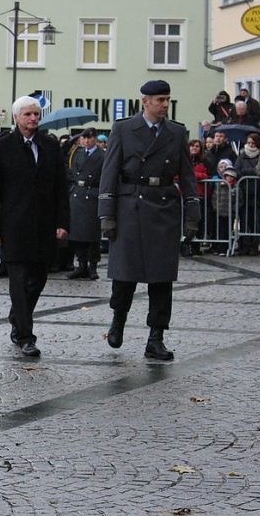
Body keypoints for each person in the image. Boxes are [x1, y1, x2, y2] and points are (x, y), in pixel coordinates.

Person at [98, 80, 199, 361]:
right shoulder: (124, 128)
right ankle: (118, 321)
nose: (165, 105)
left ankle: (156, 337)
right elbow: (110, 171)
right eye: (160, 100)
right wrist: (106, 213)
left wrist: (192, 215)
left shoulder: (176, 132)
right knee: (124, 275)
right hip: (130, 205)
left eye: (167, 99)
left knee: (161, 279)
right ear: (145, 101)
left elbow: (188, 177)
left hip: (164, 207)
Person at [0, 95, 70, 357]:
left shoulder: (50, 145)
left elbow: (60, 187)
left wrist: (62, 222)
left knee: (38, 279)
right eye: (28, 115)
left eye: (36, 114)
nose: (33, 118)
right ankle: (25, 336)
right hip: (14, 225)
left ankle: (17, 315)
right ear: (16, 118)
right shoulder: (3, 146)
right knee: (19, 281)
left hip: (44, 225)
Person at [66, 128, 104, 280]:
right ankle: (81, 265)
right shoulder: (77, 153)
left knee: (92, 235)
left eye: (89, 138)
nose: (86, 141)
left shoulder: (102, 155)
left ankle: (92, 266)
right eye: (84, 138)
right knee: (77, 234)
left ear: (95, 139)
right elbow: (71, 172)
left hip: (92, 193)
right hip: (78, 193)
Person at [234, 132, 260, 256]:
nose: (251, 145)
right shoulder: (242, 155)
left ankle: (254, 245)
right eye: (249, 142)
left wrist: (246, 172)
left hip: (258, 192)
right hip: (244, 192)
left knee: (256, 222)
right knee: (244, 220)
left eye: (253, 143)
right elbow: (237, 170)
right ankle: (244, 245)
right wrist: (251, 172)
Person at [181, 139, 209, 257]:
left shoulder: (204, 162)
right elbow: (179, 175)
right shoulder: (183, 160)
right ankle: (184, 246)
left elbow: (207, 175)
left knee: (197, 222)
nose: (194, 148)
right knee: (185, 222)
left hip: (199, 195)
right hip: (184, 195)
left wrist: (193, 175)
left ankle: (196, 247)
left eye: (197, 146)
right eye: (192, 146)